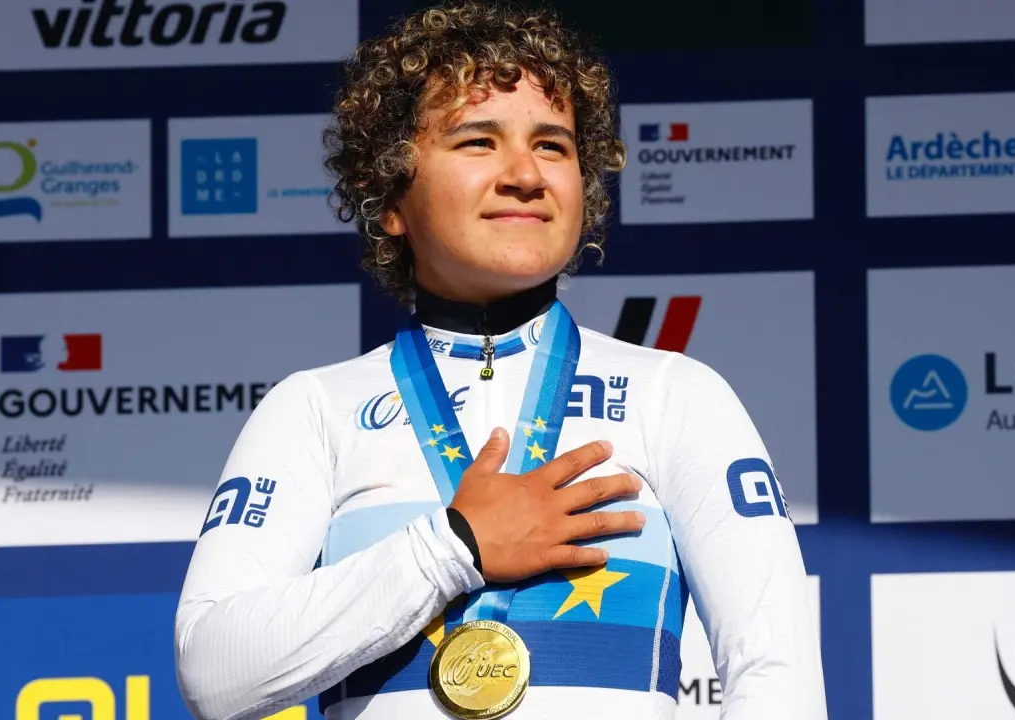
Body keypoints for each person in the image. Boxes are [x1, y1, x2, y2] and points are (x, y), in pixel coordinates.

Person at [172, 2, 827, 719]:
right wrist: (454, 546)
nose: (525, 174)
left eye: (552, 146)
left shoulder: (675, 394)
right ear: (390, 197)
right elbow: (214, 673)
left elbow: (778, 676)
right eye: (478, 141)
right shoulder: (316, 409)